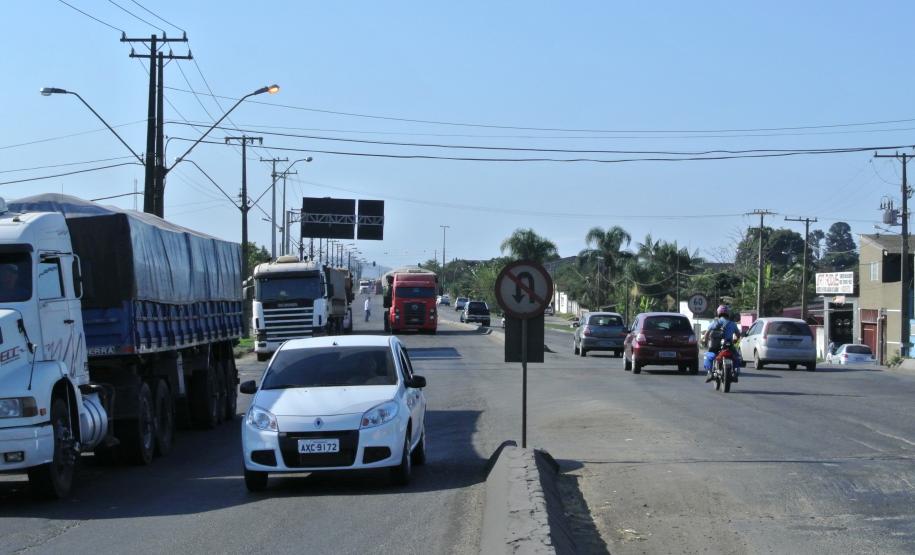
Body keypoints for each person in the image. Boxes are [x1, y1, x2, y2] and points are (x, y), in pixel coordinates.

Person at [703, 305, 742, 383]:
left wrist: (705, 342)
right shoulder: (732, 323)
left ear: (718, 313)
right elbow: (738, 335)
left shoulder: (715, 322)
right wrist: (735, 340)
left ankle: (710, 372)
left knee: (708, 356)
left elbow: (707, 334)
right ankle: (735, 372)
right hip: (728, 345)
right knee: (737, 357)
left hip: (715, 346)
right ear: (728, 313)